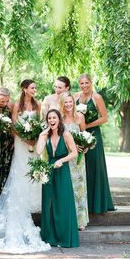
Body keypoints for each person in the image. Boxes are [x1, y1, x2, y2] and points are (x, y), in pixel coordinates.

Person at [0, 79, 50, 254]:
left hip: (32, 140)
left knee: (33, 168)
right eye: (32, 87)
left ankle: (34, 200)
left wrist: (35, 137)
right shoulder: (16, 105)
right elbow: (14, 125)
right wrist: (24, 138)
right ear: (24, 89)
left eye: (35, 88)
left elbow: (40, 123)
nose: (35, 90)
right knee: (20, 168)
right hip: (19, 140)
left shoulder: (38, 104)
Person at [37, 109, 79, 247]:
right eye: (49, 118)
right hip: (49, 170)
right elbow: (38, 151)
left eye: (54, 117)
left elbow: (74, 153)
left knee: (62, 201)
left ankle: (64, 236)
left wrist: (62, 160)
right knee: (48, 202)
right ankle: (49, 236)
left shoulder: (66, 134)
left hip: (62, 170)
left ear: (59, 119)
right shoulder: (46, 135)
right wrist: (41, 135)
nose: (51, 120)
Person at [75, 74, 115, 214]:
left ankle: (97, 204)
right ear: (79, 84)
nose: (84, 85)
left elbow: (104, 118)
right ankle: (82, 203)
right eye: (81, 83)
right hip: (78, 134)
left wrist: (87, 125)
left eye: (87, 83)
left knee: (94, 167)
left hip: (93, 135)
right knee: (80, 167)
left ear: (91, 83)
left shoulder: (97, 97)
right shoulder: (75, 97)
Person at [59, 92, 89, 230]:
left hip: (79, 159)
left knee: (80, 187)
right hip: (66, 157)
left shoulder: (80, 117)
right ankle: (68, 219)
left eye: (71, 102)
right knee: (68, 187)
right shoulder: (60, 119)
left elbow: (85, 135)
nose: (69, 104)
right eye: (66, 102)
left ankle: (80, 220)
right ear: (62, 104)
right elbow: (57, 138)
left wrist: (86, 147)